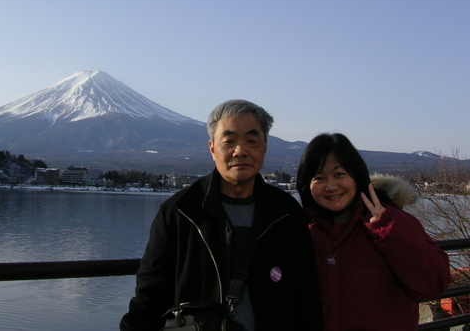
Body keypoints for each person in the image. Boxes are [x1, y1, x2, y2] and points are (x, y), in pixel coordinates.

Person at [120, 100, 322, 331]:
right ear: (212, 148)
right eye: (229, 141)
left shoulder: (286, 213)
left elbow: (306, 299)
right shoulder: (181, 211)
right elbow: (149, 298)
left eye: (251, 141)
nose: (240, 151)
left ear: (264, 146)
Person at [296, 133, 451, 331]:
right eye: (319, 178)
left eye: (339, 174)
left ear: (356, 175)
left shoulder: (392, 223)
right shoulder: (304, 233)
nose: (331, 186)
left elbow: (433, 284)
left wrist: (388, 228)